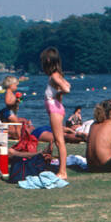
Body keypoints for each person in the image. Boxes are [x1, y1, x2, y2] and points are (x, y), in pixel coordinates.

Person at [40, 47, 72, 180]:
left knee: (59, 141)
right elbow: (68, 85)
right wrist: (59, 93)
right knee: (59, 141)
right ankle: (62, 170)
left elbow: (67, 89)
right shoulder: (58, 75)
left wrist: (60, 92)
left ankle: (62, 171)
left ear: (48, 61)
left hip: (55, 109)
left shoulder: (54, 76)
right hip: (57, 108)